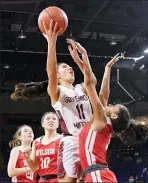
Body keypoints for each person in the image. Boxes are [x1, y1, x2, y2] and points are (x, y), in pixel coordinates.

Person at [10, 20, 96, 183]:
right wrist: (52, 44)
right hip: (71, 141)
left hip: (90, 138)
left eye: (71, 68)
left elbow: (92, 81)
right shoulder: (57, 92)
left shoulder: (80, 87)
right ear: (57, 75)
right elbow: (50, 72)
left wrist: (82, 58)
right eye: (65, 67)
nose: (70, 69)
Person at [70, 41, 148, 182]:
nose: (109, 104)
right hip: (98, 174)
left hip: (98, 175)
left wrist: (84, 56)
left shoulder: (101, 120)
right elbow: (103, 95)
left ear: (114, 115)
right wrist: (108, 68)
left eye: (113, 105)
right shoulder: (103, 121)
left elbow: (89, 84)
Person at [22, 112, 60, 183]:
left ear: (58, 124)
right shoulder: (36, 142)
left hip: (59, 178)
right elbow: (34, 168)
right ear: (42, 124)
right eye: (48, 118)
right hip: (42, 179)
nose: (51, 120)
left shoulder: (62, 139)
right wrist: (27, 158)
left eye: (54, 119)